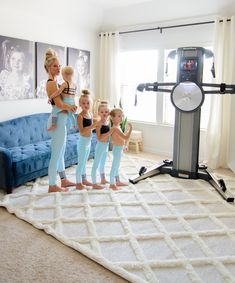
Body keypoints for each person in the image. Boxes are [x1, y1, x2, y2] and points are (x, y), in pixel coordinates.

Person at [45, 48, 77, 193]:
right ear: (48, 68)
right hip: (56, 122)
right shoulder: (51, 83)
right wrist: (71, 107)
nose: (58, 68)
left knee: (61, 152)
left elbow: (60, 100)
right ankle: (52, 185)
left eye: (59, 65)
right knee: (56, 154)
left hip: (60, 121)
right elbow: (59, 104)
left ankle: (63, 180)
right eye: (54, 66)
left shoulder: (58, 81)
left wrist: (69, 107)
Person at [76, 90, 99, 190]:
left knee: (85, 162)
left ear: (91, 104)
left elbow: (92, 128)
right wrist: (93, 125)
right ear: (80, 104)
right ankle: (78, 183)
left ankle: (84, 179)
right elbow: (82, 131)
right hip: (82, 142)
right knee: (81, 163)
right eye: (84, 103)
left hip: (88, 142)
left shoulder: (89, 114)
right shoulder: (80, 116)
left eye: (88, 103)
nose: (86, 104)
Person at [91, 102, 114, 189]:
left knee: (103, 163)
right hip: (100, 145)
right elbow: (99, 138)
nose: (104, 113)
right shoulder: (99, 123)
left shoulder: (108, 122)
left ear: (109, 113)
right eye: (102, 112)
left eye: (106, 112)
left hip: (106, 145)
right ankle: (94, 183)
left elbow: (110, 134)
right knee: (96, 164)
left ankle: (103, 179)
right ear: (98, 113)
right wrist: (108, 133)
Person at [48, 66, 77, 131]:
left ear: (65, 75)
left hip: (66, 102)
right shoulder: (75, 85)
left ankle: (54, 125)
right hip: (72, 102)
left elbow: (58, 92)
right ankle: (74, 125)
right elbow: (70, 93)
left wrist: (51, 97)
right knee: (70, 114)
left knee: (54, 111)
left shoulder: (65, 84)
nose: (63, 78)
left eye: (62, 76)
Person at [109, 108, 132, 190]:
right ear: (112, 118)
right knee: (114, 166)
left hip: (119, 148)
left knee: (117, 166)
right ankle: (112, 184)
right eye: (119, 116)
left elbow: (121, 138)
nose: (122, 118)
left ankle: (117, 181)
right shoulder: (115, 128)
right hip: (117, 149)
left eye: (122, 116)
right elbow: (126, 137)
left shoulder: (118, 126)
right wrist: (130, 129)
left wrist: (124, 147)